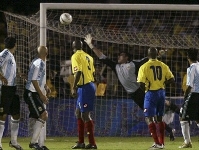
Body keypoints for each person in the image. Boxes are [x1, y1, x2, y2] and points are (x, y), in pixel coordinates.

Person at [84, 34, 148, 109]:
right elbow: (101, 56)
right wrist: (90, 45)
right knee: (147, 111)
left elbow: (145, 60)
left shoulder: (133, 64)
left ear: (126, 58)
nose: (118, 56)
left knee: (149, 110)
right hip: (130, 94)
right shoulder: (116, 66)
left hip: (138, 91)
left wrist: (157, 54)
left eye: (121, 55)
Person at [137, 47, 175, 149]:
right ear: (157, 54)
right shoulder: (163, 65)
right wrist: (163, 83)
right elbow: (172, 79)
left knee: (149, 118)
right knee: (159, 118)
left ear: (148, 55)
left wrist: (146, 89)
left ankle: (157, 143)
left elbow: (140, 83)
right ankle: (161, 143)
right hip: (161, 93)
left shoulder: (144, 67)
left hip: (151, 93)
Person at [71, 40, 97, 149]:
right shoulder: (89, 57)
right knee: (78, 113)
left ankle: (92, 143)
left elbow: (79, 72)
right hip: (88, 85)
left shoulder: (75, 56)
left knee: (85, 115)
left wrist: (73, 87)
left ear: (73, 47)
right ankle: (81, 142)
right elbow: (93, 73)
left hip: (85, 87)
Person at [23, 46, 49, 150]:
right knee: (43, 115)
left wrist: (45, 87)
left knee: (37, 117)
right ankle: (34, 142)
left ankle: (39, 144)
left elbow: (37, 78)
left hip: (32, 93)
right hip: (31, 93)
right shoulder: (40, 63)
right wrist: (42, 95)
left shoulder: (35, 61)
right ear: (46, 53)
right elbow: (34, 80)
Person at [0, 37, 23, 150]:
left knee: (16, 114)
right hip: (5, 89)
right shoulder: (4, 54)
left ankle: (13, 141)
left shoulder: (11, 55)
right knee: (3, 115)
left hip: (13, 89)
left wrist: (19, 75)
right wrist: (1, 77)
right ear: (15, 44)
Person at [178, 48, 199, 148]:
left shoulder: (191, 68)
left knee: (182, 117)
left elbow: (189, 85)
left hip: (194, 95)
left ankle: (187, 142)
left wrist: (185, 95)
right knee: (198, 119)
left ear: (187, 57)